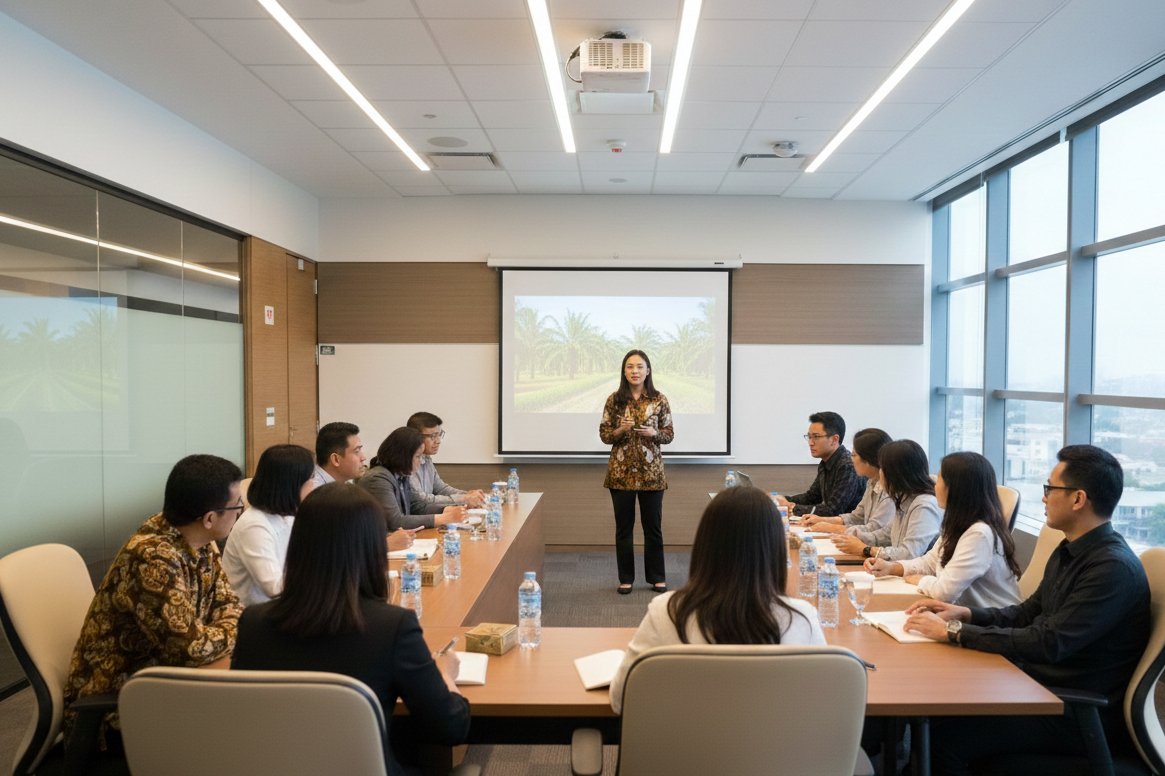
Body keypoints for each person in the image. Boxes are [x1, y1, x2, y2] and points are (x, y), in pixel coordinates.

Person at [904, 445, 1150, 773]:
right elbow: (1026, 612)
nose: (1044, 497)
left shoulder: (1111, 569)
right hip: (1037, 685)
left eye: (1050, 488)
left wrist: (956, 633)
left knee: (944, 739)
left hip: (1071, 710)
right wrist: (966, 615)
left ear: (1078, 499)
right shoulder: (1071, 549)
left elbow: (1048, 642)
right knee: (934, 718)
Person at [232, 483, 470, 775]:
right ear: (372, 548)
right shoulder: (392, 627)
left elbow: (242, 720)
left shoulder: (253, 623)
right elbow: (451, 727)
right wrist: (444, 674)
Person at [64, 454, 244, 744]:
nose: (240, 513)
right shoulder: (152, 557)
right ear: (210, 518)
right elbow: (192, 649)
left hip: (167, 680)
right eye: (237, 507)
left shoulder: (196, 538)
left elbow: (228, 603)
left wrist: (219, 629)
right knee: (242, 730)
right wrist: (233, 629)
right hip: (120, 702)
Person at [609, 486, 825, 713]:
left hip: (686, 747)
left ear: (705, 543)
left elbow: (620, 699)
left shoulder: (668, 612)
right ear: (775, 549)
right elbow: (826, 701)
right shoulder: (801, 618)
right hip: (776, 748)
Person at [865, 451, 1021, 608]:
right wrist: (892, 568)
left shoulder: (979, 534)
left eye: (939, 479)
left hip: (991, 625)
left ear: (955, 488)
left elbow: (944, 592)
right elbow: (930, 562)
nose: (935, 486)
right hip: (965, 616)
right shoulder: (959, 524)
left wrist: (921, 580)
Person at [599, 350, 675, 595]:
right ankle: (626, 578)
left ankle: (657, 577)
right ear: (624, 371)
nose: (635, 371)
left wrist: (655, 434)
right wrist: (621, 429)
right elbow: (604, 435)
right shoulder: (614, 400)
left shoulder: (659, 399)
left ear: (648, 371)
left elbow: (669, 434)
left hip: (651, 475)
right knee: (624, 528)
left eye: (640, 367)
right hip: (621, 474)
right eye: (630, 367)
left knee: (653, 527)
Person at [222, 444, 315, 607]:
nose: (313, 486)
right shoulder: (255, 526)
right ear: (292, 484)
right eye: (310, 479)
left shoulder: (289, 516)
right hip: (251, 618)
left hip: (282, 610)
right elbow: (275, 589)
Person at [831, 439, 940, 561]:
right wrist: (857, 536)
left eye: (882, 468)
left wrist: (866, 549)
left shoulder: (925, 505)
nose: (880, 472)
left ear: (896, 473)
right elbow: (887, 534)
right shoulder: (905, 497)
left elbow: (909, 553)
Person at [357, 426, 464, 531]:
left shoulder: (401, 475)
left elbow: (415, 506)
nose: (420, 461)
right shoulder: (378, 479)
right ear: (402, 456)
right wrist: (443, 518)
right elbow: (395, 521)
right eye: (418, 456)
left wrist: (446, 509)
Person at [803, 427, 894, 538]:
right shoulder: (872, 482)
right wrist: (822, 520)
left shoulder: (890, 489)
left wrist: (832, 528)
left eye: (854, 455)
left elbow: (875, 528)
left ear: (870, 458)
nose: (851, 459)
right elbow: (857, 516)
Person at [776, 411, 865, 516]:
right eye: (809, 437)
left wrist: (791, 507)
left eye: (816, 437)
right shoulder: (825, 462)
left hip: (849, 528)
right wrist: (781, 499)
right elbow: (812, 497)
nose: (811, 443)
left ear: (834, 439)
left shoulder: (848, 466)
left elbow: (832, 510)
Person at [405, 411, 485, 510]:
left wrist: (468, 495)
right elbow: (421, 500)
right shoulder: (406, 462)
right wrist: (463, 499)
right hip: (416, 521)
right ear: (415, 436)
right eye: (433, 436)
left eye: (439, 434)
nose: (438, 441)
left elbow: (440, 488)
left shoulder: (426, 458)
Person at [311, 420, 366, 487]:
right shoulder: (313, 491)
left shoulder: (344, 484)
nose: (363, 458)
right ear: (336, 459)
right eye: (357, 451)